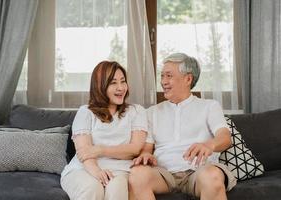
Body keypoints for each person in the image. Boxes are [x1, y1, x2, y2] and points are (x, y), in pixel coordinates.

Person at [129, 53, 237, 200]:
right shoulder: (151, 112)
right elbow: (147, 149)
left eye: (169, 76)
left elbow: (225, 138)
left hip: (199, 172)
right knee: (137, 175)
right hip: (163, 174)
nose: (163, 81)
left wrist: (208, 145)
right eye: (162, 76)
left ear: (188, 79)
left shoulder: (210, 106)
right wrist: (146, 156)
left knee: (212, 177)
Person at [61, 61, 147, 200]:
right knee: (92, 189)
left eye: (123, 81)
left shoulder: (136, 111)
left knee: (117, 187)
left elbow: (135, 149)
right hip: (84, 169)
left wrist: (100, 150)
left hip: (120, 170)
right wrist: (97, 172)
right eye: (113, 83)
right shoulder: (85, 112)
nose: (121, 88)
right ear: (100, 86)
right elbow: (84, 153)